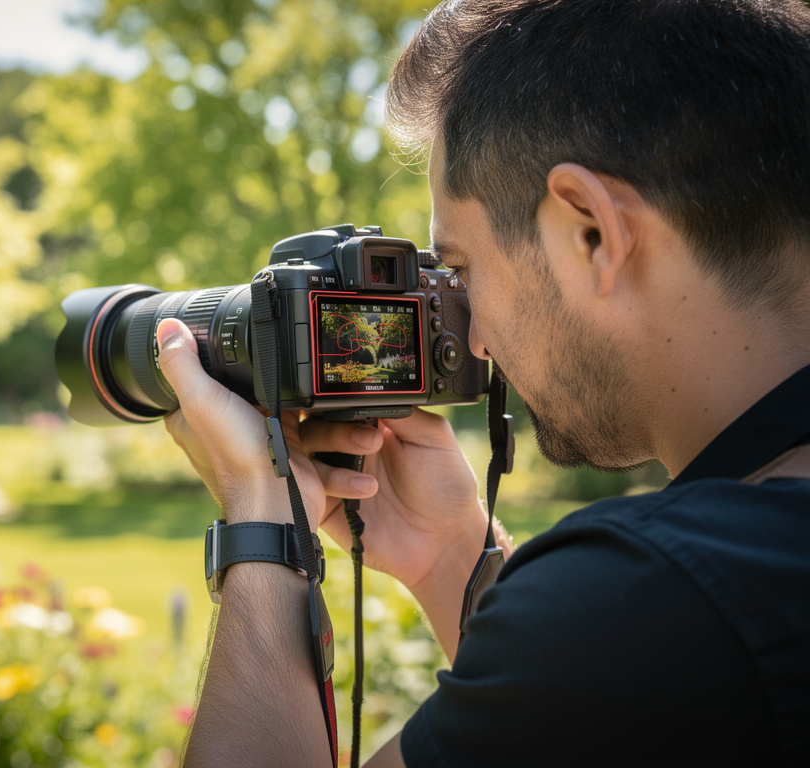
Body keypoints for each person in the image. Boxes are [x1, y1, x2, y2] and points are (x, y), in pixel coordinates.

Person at [152, 0, 810, 765]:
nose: (476, 341)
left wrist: (264, 520)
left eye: (460, 270)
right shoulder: (748, 565)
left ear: (591, 232)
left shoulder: (666, 598)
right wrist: (447, 554)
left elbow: (628, 652)